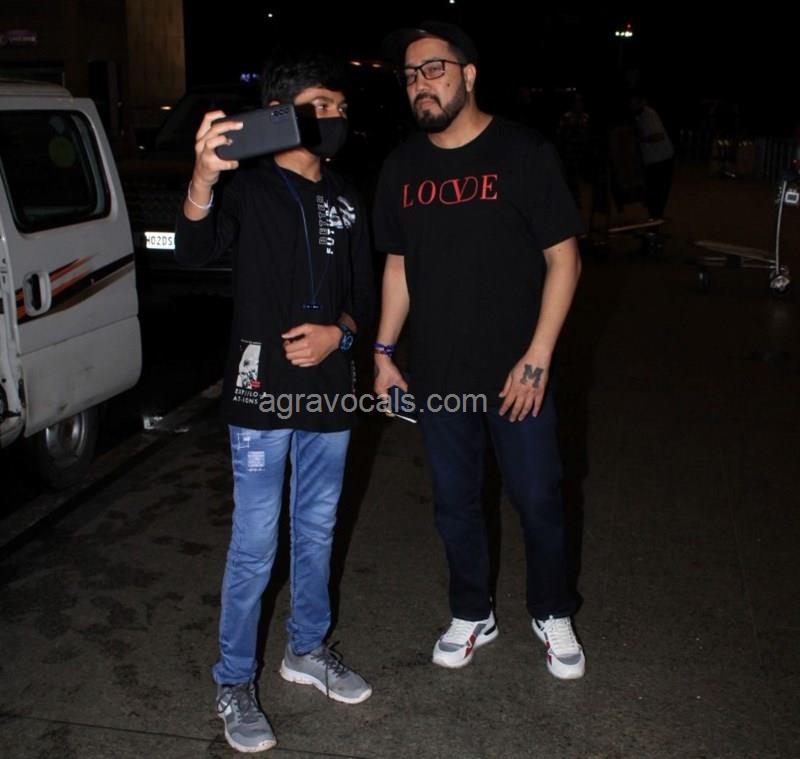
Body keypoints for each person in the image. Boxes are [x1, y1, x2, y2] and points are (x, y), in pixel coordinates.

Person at [373, 21, 586, 680]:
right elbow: (398, 266)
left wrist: (538, 357)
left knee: (539, 499)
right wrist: (383, 353)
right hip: (439, 375)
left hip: (517, 373)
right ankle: (473, 612)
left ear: (468, 74)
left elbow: (564, 260)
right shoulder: (402, 167)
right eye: (410, 74)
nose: (420, 84)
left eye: (434, 69)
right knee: (454, 503)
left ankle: (551, 610)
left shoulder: (523, 153)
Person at [175, 52, 374, 753]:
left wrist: (338, 335)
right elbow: (192, 249)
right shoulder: (249, 187)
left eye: (341, 107)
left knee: (317, 528)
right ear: (282, 113)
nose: (335, 117)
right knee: (256, 542)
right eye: (322, 104)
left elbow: (364, 295)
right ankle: (233, 679)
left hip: (331, 394)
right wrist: (203, 177)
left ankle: (307, 649)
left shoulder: (348, 196)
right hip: (261, 394)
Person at [629, 91, 674, 219]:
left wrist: (640, 140)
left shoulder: (649, 114)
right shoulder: (638, 116)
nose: (632, 106)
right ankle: (655, 218)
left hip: (662, 159)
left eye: (635, 103)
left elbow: (658, 136)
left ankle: (656, 219)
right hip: (653, 160)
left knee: (659, 193)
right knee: (654, 193)